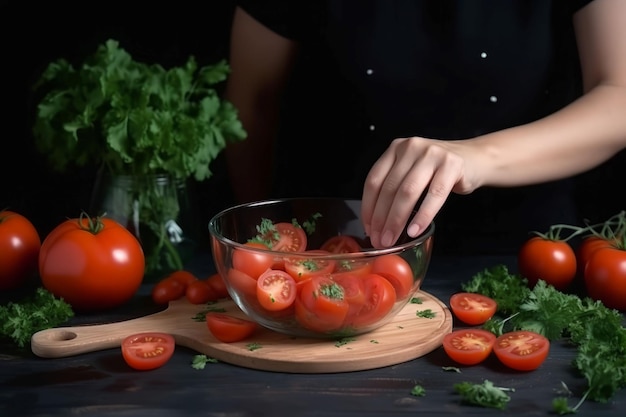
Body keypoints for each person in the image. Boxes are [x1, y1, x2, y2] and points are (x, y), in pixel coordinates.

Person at [222, 0, 626, 255]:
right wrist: (265, 249)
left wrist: (478, 157)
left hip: (528, 257)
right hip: (340, 254)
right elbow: (250, 105)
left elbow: (619, 96)